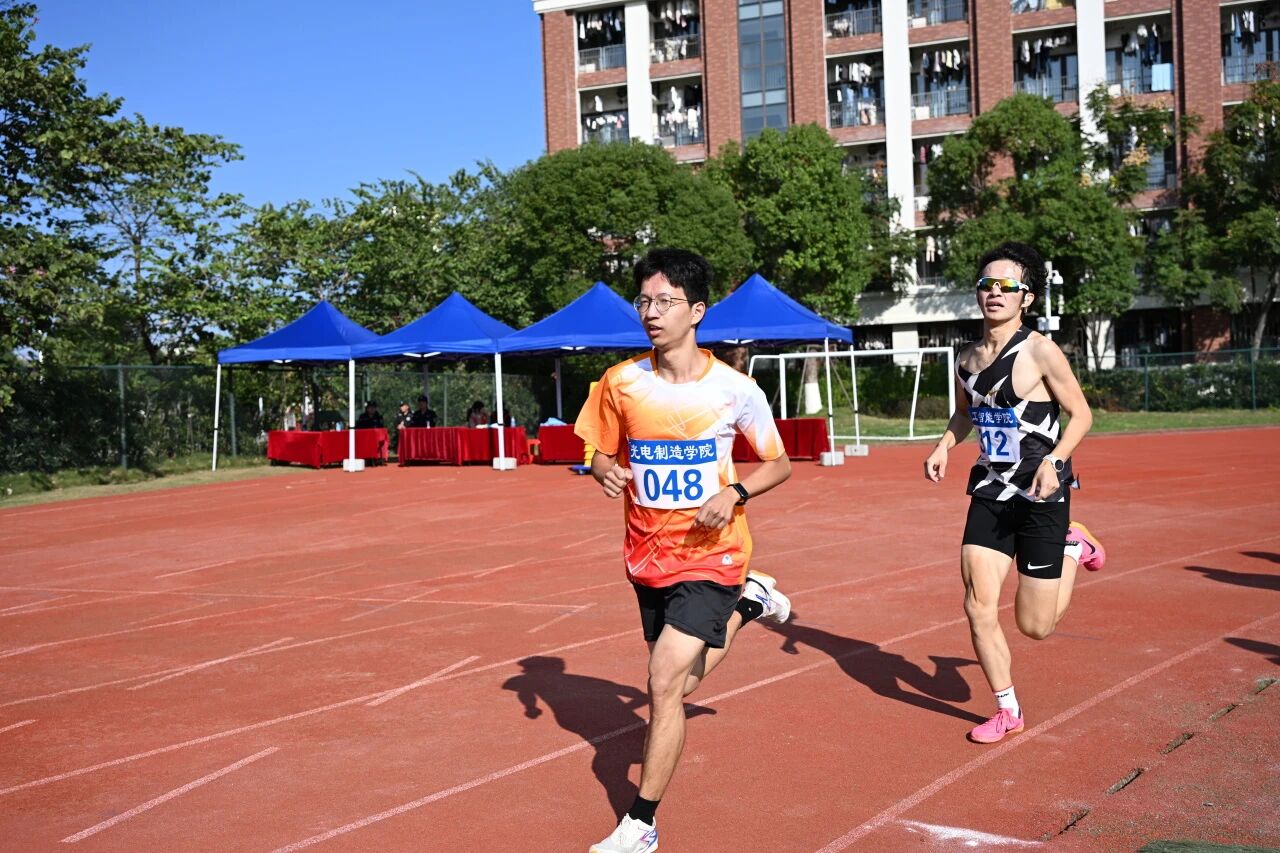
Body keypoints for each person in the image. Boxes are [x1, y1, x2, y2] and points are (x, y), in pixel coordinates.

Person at [576, 248, 793, 853]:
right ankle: (750, 605)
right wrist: (604, 472)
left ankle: (640, 823)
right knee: (680, 685)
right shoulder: (621, 382)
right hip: (647, 555)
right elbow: (598, 452)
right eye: (643, 301)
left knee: (662, 679)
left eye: (665, 302)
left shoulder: (734, 389)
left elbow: (778, 463)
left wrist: (735, 491)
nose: (651, 312)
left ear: (696, 311)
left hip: (713, 551)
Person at [923, 241, 1102, 745]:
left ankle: (1073, 546)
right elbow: (965, 414)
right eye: (987, 284)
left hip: (1041, 493)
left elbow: (1082, 415)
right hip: (990, 489)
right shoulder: (966, 357)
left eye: (1007, 286)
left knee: (1035, 626)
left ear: (1027, 297)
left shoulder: (1040, 350)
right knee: (977, 604)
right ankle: (1008, 710)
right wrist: (943, 446)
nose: (995, 293)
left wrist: (1055, 460)